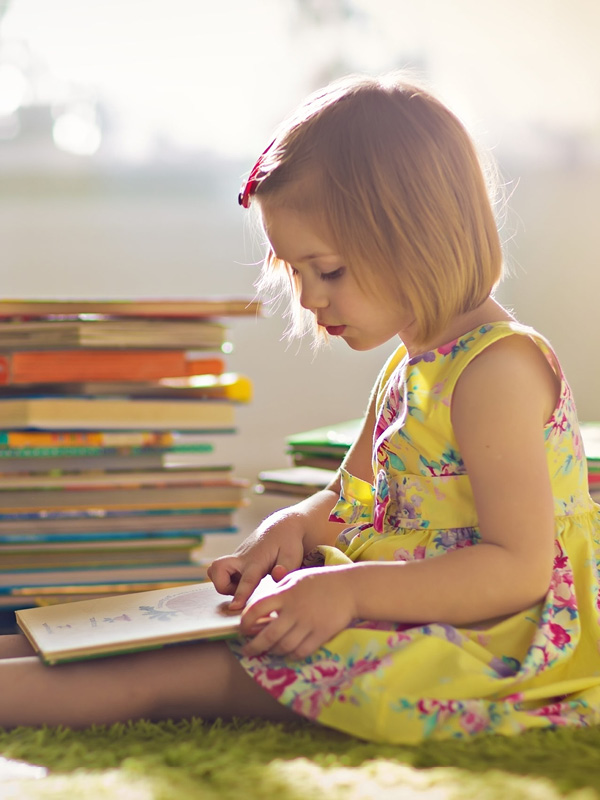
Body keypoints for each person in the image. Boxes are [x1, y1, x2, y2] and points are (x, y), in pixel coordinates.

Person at [1, 73, 599, 743]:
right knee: (128, 638)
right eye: (296, 275)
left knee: (174, 672)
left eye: (329, 270)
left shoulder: (497, 371)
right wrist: (292, 524)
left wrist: (349, 592)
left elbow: (516, 569)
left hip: (492, 642)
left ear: (419, 236)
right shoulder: (413, 365)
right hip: (412, 603)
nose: (311, 299)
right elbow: (351, 499)